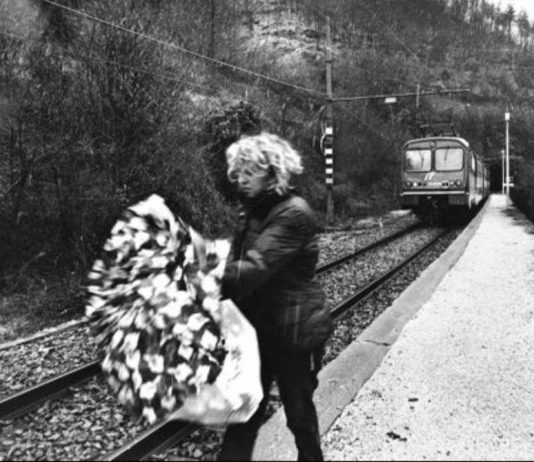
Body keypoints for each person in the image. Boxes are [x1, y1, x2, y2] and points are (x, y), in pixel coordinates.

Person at [217, 132, 333, 461]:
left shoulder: (294, 214)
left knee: (299, 416)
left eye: (249, 172)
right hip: (260, 331)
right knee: (243, 418)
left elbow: (254, 268)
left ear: (271, 173)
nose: (241, 180)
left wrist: (202, 278)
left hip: (294, 331)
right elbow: (236, 268)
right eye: (238, 173)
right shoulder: (252, 212)